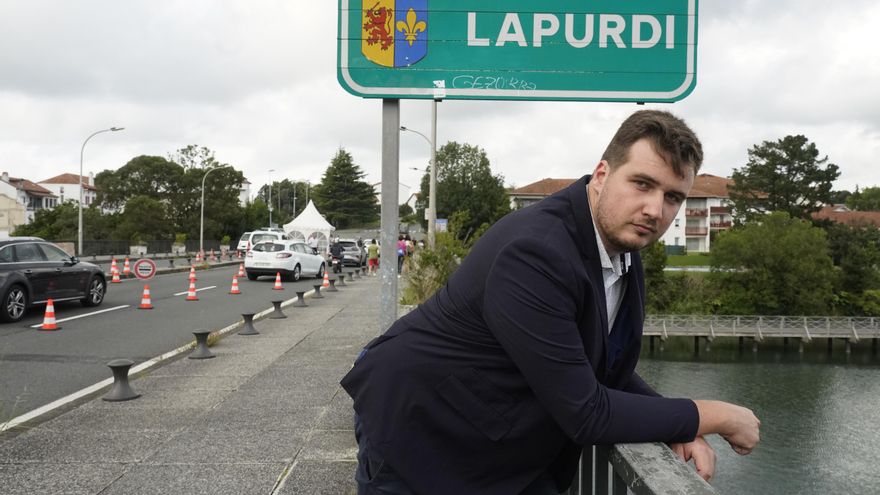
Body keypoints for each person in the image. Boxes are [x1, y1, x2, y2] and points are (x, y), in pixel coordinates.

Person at [341, 110, 761, 495]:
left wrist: (678, 423)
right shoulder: (536, 252)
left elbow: (607, 369)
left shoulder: (620, 246)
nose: (655, 209)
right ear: (602, 174)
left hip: (496, 435)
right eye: (642, 184)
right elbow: (586, 411)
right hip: (421, 428)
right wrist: (713, 415)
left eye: (673, 197)